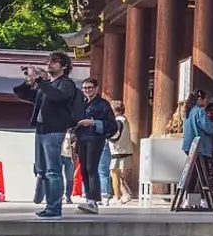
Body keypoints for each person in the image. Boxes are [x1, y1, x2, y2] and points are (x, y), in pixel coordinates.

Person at [13, 52, 82, 220]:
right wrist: (30, 80)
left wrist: (39, 80)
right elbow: (22, 93)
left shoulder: (66, 84)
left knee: (53, 171)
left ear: (64, 66)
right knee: (43, 171)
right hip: (42, 129)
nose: (49, 64)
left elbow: (57, 97)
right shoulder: (47, 86)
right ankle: (49, 205)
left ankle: (54, 207)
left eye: (54, 61)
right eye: (48, 61)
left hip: (54, 129)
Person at [74, 77, 115, 214]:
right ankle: (88, 199)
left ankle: (94, 200)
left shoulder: (103, 104)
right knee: (84, 170)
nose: (87, 90)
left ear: (96, 89)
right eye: (85, 88)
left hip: (95, 139)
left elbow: (112, 125)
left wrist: (93, 123)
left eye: (90, 87)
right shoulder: (81, 103)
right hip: (81, 139)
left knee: (92, 168)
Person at [106, 99, 135, 204]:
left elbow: (115, 135)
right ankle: (126, 193)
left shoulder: (118, 120)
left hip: (118, 150)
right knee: (118, 174)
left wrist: (108, 136)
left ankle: (117, 197)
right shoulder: (123, 119)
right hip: (124, 149)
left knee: (114, 173)